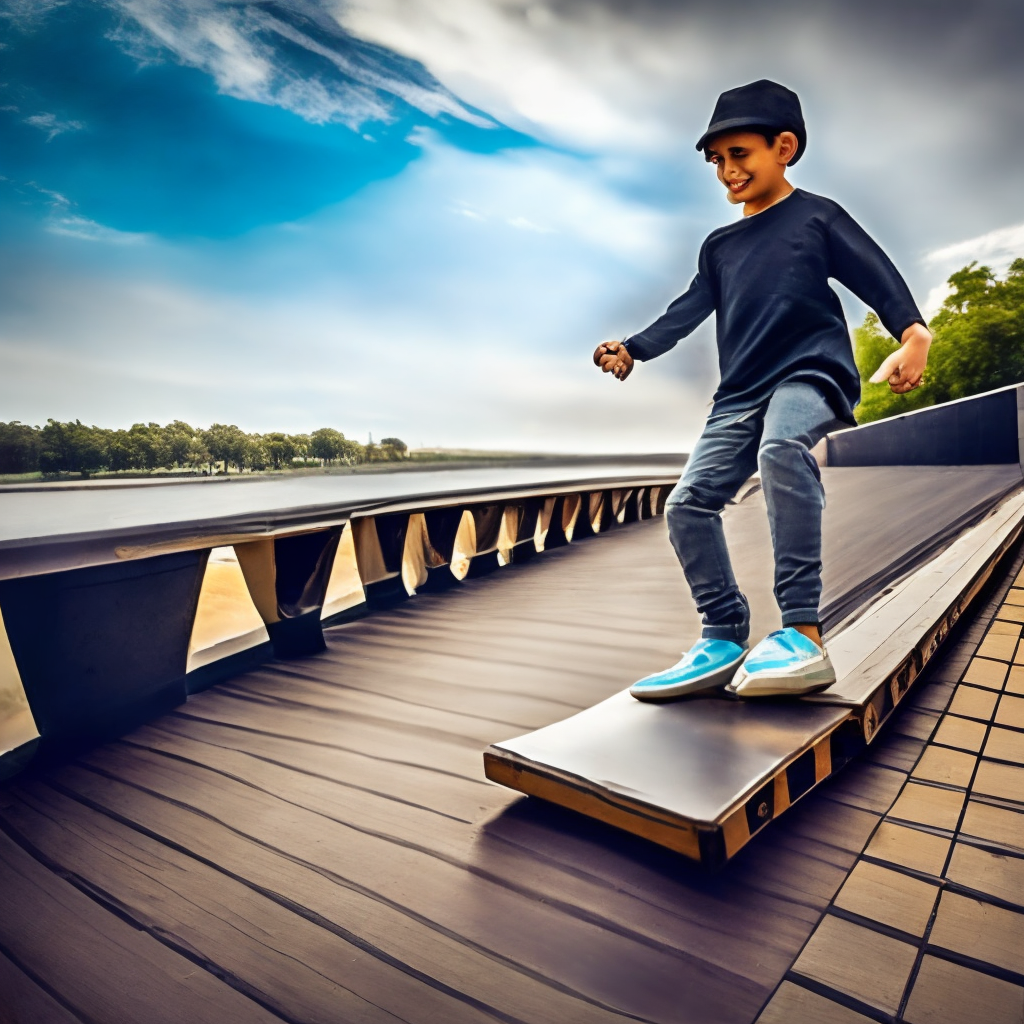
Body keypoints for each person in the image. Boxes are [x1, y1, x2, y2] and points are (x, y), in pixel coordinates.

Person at [594, 79, 931, 700]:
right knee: (687, 504)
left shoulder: (818, 216)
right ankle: (722, 634)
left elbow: (876, 274)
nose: (727, 171)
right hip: (739, 392)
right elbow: (687, 309)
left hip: (809, 372)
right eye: (716, 161)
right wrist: (633, 348)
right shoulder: (719, 245)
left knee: (782, 450)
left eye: (739, 154)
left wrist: (913, 334)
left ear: (784, 147)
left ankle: (803, 633)